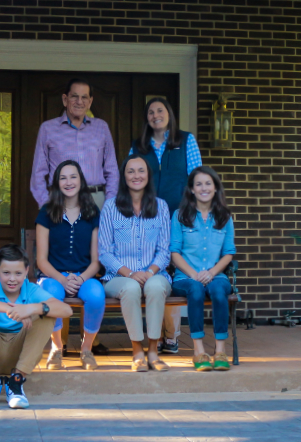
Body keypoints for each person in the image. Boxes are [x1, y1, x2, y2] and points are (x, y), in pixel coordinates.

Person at [130, 97, 203, 355]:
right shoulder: (139, 145)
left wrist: (192, 214)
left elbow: (196, 177)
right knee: (156, 271)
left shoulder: (186, 141)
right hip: (148, 217)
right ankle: (152, 335)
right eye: (150, 112)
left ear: (169, 114)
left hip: (179, 216)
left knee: (173, 274)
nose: (155, 115)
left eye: (160, 110)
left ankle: (171, 336)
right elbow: (132, 176)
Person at [0, 244, 73, 409]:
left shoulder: (31, 290)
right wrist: (8, 308)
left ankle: (16, 382)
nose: (12, 279)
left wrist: (31, 308)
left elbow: (66, 310)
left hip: (20, 357)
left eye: (18, 273)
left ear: (27, 271)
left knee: (46, 313)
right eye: (6, 273)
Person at [98, 154, 172, 372]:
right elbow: (104, 252)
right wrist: (130, 273)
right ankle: (137, 350)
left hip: (155, 274)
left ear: (148, 175)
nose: (136, 175)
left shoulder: (161, 206)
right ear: (124, 176)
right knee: (130, 287)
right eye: (131, 171)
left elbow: (164, 251)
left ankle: (153, 351)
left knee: (156, 285)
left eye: (141, 170)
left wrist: (149, 272)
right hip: (118, 278)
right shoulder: (111, 207)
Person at [35, 160, 106, 371]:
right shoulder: (46, 212)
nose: (68, 182)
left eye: (73, 176)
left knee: (96, 295)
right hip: (52, 276)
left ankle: (86, 349)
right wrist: (63, 279)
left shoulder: (92, 212)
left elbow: (96, 261)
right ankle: (57, 348)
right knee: (52, 295)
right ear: (57, 183)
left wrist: (81, 278)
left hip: (84, 276)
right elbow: (41, 260)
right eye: (63, 177)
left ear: (81, 180)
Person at [170, 166, 235, 371]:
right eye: (198, 184)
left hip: (216, 276)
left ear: (215, 188)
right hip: (185, 277)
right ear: (191, 189)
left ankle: (220, 351)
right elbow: (174, 253)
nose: (203, 188)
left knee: (217, 290)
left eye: (208, 183)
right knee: (196, 289)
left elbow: (228, 253)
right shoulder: (180, 215)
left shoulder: (224, 217)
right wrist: (194, 275)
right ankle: (198, 351)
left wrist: (212, 272)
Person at [30, 78, 119, 210]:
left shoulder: (102, 128)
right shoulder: (47, 129)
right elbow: (38, 173)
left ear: (90, 102)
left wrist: (109, 204)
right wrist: (46, 205)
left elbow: (112, 171)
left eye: (84, 97)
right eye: (74, 97)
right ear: (65, 100)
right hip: (60, 200)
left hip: (96, 200)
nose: (79, 102)